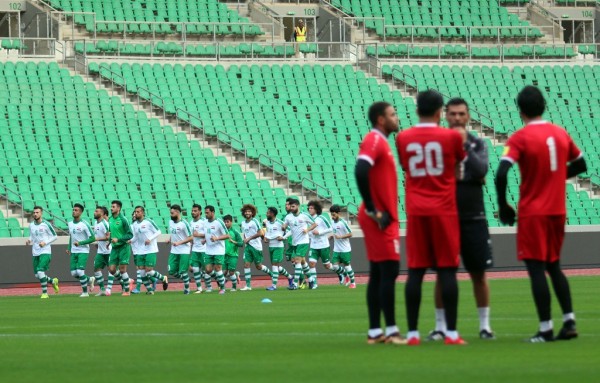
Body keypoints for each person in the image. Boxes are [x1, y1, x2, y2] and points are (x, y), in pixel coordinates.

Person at [495, 86, 586, 343]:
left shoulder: (519, 138)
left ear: (520, 111)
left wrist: (503, 206)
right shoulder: (559, 133)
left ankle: (545, 328)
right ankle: (569, 321)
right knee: (554, 265)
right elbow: (581, 164)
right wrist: (556, 179)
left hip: (533, 212)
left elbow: (502, 172)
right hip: (557, 211)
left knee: (535, 268)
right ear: (544, 105)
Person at [396, 90, 467, 346]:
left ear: (417, 110)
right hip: (444, 210)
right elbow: (460, 165)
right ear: (440, 112)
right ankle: (450, 333)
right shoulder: (450, 136)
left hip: (416, 211)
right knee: (447, 270)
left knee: (415, 272)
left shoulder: (403, 137)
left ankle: (413, 333)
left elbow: (406, 166)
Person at [428, 98, 495, 341]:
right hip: (444, 216)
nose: (457, 118)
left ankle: (485, 326)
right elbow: (436, 175)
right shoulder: (436, 142)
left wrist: (463, 148)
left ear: (467, 117)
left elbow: (481, 170)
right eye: (453, 114)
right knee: (443, 274)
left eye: (461, 114)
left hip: (473, 216)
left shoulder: (478, 142)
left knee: (479, 274)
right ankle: (440, 326)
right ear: (445, 116)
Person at [355, 101, 404, 345]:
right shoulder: (374, 140)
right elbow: (360, 170)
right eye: (393, 114)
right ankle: (391, 331)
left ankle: (375, 331)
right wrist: (374, 209)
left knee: (379, 273)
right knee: (389, 271)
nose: (397, 118)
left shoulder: (383, 142)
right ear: (381, 120)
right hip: (379, 217)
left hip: (381, 215)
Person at [130, 205, 167, 295]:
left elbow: (158, 231)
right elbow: (135, 237)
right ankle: (150, 290)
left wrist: (150, 239)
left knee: (149, 270)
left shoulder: (149, 222)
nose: (136, 213)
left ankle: (163, 278)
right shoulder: (134, 224)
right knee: (142, 273)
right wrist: (130, 241)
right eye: (135, 212)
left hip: (150, 249)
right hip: (140, 251)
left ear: (143, 212)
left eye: (138, 212)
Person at [26, 206, 59, 298]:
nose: (35, 214)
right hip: (35, 251)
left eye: (37, 212)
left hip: (45, 251)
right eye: (34, 212)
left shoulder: (46, 224)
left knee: (40, 272)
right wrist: (29, 240)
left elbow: (55, 236)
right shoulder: (31, 225)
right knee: (37, 275)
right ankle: (52, 281)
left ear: (41, 213)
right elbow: (32, 236)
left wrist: (45, 242)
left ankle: (45, 293)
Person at [282, 198, 314, 290]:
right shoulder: (288, 217)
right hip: (295, 242)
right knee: (303, 261)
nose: (291, 208)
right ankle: (311, 280)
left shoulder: (304, 215)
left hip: (303, 241)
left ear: (298, 206)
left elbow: (314, 224)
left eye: (293, 206)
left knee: (297, 261)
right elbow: (285, 226)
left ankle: (295, 284)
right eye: (290, 206)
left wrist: (307, 230)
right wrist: (283, 227)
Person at [239, 204, 272, 291]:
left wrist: (249, 238)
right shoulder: (242, 223)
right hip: (248, 247)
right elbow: (246, 234)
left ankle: (272, 275)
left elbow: (260, 233)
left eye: (249, 211)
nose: (247, 213)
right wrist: (246, 240)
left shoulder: (255, 221)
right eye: (246, 211)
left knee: (259, 266)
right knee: (246, 265)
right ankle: (248, 286)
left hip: (256, 247)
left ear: (252, 212)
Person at [105, 200, 134, 296]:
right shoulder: (110, 219)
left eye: (113, 207)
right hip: (114, 248)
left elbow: (130, 234)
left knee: (122, 270)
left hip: (123, 247)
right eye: (111, 206)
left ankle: (127, 290)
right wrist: (109, 241)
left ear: (118, 208)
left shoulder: (123, 219)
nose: (111, 208)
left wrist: (119, 239)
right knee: (112, 270)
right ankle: (127, 281)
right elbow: (111, 233)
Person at [67, 203, 96, 297]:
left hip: (83, 251)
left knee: (80, 272)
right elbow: (71, 236)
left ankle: (85, 292)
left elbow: (92, 238)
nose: (74, 211)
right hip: (74, 251)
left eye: (76, 210)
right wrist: (69, 248)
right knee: (74, 273)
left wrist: (80, 243)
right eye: (73, 210)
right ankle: (90, 279)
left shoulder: (84, 224)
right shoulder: (70, 223)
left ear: (81, 212)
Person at [263, 207, 294, 291]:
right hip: (270, 246)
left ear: (272, 214)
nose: (266, 214)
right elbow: (268, 232)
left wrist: (283, 237)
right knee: (277, 266)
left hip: (278, 246)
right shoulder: (267, 222)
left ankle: (274, 285)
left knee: (274, 265)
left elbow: (291, 230)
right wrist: (265, 237)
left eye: (268, 212)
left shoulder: (280, 222)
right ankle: (290, 277)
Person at [306, 200, 334, 289]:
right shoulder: (308, 219)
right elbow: (309, 231)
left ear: (316, 209)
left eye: (311, 208)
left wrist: (320, 232)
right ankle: (314, 283)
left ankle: (340, 271)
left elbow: (330, 228)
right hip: (313, 245)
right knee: (311, 263)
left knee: (327, 266)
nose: (309, 210)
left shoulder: (321, 218)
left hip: (323, 245)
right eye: (309, 208)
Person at [167, 204, 193, 295]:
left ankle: (187, 289)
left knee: (183, 271)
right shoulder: (170, 222)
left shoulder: (184, 223)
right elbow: (174, 233)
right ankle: (186, 280)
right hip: (174, 250)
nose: (171, 214)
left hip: (184, 250)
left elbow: (191, 238)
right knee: (171, 271)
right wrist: (170, 239)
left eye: (172, 213)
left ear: (178, 212)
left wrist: (179, 243)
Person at [203, 205, 229, 294]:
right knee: (208, 270)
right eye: (205, 213)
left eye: (207, 213)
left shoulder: (219, 222)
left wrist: (217, 238)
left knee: (218, 269)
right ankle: (222, 279)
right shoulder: (205, 222)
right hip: (208, 249)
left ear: (213, 212)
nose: (206, 214)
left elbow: (227, 235)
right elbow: (207, 233)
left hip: (218, 249)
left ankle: (222, 288)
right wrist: (204, 239)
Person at [329, 205, 356, 289]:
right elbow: (335, 232)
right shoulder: (332, 222)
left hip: (345, 249)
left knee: (347, 265)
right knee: (335, 266)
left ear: (339, 213)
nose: (332, 217)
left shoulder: (343, 222)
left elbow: (351, 234)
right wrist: (331, 237)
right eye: (331, 215)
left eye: (334, 215)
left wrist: (340, 237)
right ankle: (345, 274)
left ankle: (353, 283)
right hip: (336, 249)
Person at [92, 206, 111, 296]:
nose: (94, 212)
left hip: (109, 250)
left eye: (97, 211)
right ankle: (102, 289)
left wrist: (98, 239)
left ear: (103, 214)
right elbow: (98, 236)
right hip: (100, 251)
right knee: (96, 269)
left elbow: (108, 237)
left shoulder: (105, 224)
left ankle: (125, 283)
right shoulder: (95, 223)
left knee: (113, 270)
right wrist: (97, 243)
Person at [190, 203, 208, 293]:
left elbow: (208, 234)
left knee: (207, 270)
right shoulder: (191, 222)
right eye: (192, 211)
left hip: (204, 249)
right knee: (195, 269)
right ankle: (199, 288)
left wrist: (199, 235)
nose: (193, 212)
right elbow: (191, 235)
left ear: (200, 212)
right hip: (195, 249)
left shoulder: (204, 222)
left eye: (195, 211)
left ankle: (210, 286)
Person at [223, 214, 243, 291]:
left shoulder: (235, 232)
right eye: (225, 222)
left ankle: (234, 287)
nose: (226, 223)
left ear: (231, 222)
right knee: (223, 272)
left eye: (227, 222)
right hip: (223, 255)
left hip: (233, 255)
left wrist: (233, 241)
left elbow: (241, 244)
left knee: (231, 272)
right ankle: (236, 274)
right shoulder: (222, 231)